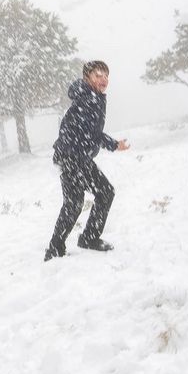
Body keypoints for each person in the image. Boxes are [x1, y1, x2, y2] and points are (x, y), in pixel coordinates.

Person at [46, 60, 131, 260]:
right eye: (98, 75)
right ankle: (58, 248)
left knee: (98, 195)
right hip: (72, 156)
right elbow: (92, 133)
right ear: (87, 78)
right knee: (79, 201)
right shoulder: (88, 99)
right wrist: (113, 144)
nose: (103, 79)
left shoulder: (93, 97)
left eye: (106, 75)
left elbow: (90, 132)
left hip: (77, 156)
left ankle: (84, 239)